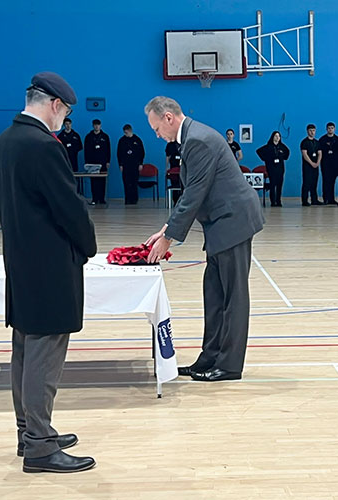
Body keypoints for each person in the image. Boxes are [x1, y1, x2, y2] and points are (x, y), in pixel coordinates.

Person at [0, 72, 97, 474]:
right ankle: (39, 445)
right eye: (66, 111)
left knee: (25, 349)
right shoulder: (43, 145)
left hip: (21, 260)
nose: (64, 118)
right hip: (49, 264)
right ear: (55, 105)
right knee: (43, 354)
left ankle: (29, 431)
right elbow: (68, 207)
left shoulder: (9, 139)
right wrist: (88, 245)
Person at [144, 96, 264, 382]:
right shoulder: (192, 138)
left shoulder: (197, 140)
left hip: (232, 222)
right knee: (214, 293)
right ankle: (209, 357)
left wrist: (169, 238)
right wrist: (166, 227)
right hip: (221, 224)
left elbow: (195, 193)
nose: (157, 134)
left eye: (156, 128)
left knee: (232, 297)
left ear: (169, 117)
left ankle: (230, 365)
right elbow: (192, 193)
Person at [256, 131, 289, 206]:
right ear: (272, 137)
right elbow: (258, 151)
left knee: (279, 185)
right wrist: (265, 159)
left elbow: (287, 153)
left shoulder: (282, 146)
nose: (277, 137)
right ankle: (273, 201)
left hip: (280, 168)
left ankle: (278, 200)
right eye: (275, 136)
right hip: (271, 168)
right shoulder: (268, 146)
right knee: (273, 184)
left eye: (279, 136)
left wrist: (283, 157)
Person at [83, 119, 110, 204]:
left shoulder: (105, 136)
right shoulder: (89, 137)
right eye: (95, 125)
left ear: (100, 126)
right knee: (94, 181)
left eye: (98, 125)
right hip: (92, 162)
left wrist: (108, 161)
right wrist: (87, 161)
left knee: (102, 181)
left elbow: (108, 150)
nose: (96, 126)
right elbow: (86, 150)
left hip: (102, 162)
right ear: (93, 126)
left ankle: (102, 199)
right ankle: (94, 198)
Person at [116, 124, 145, 204]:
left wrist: (141, 163)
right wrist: (120, 164)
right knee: (126, 182)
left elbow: (142, 152)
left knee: (134, 182)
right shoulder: (122, 140)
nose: (126, 134)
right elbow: (119, 153)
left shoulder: (137, 140)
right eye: (124, 133)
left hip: (135, 164)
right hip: (125, 165)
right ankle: (127, 199)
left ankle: (134, 199)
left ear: (130, 131)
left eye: (127, 132)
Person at [300, 124, 322, 206]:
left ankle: (314, 200)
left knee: (314, 183)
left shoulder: (317, 142)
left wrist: (317, 163)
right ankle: (304, 200)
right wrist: (311, 163)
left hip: (316, 166)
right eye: (310, 130)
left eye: (313, 130)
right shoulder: (304, 142)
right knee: (306, 183)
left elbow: (320, 153)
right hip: (307, 166)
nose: (312, 132)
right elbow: (304, 154)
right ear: (307, 131)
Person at [319, 122, 338, 205]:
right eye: (329, 128)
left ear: (334, 129)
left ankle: (332, 199)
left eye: (332, 128)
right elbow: (319, 152)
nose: (330, 129)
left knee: (333, 181)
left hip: (335, 164)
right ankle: (326, 198)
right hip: (325, 164)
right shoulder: (322, 139)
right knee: (326, 181)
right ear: (326, 129)